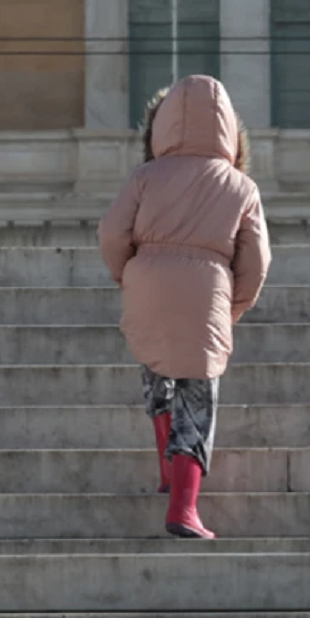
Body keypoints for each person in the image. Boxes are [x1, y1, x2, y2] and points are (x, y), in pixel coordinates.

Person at [99, 75, 271, 540]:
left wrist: (127, 276)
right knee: (197, 398)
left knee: (158, 379)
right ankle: (184, 507)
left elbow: (111, 234)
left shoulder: (145, 177)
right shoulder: (240, 186)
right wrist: (232, 309)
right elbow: (256, 262)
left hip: (147, 283)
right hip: (207, 290)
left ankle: (165, 470)